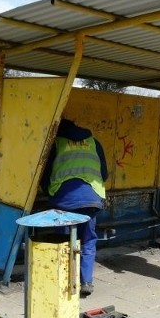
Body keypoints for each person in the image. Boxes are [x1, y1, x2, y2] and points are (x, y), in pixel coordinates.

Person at [42, 118, 108, 297]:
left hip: (64, 200)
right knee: (88, 239)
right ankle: (86, 281)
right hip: (91, 199)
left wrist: (48, 191)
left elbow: (45, 174)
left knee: (64, 241)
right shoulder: (94, 143)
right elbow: (104, 174)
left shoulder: (56, 144)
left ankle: (64, 280)